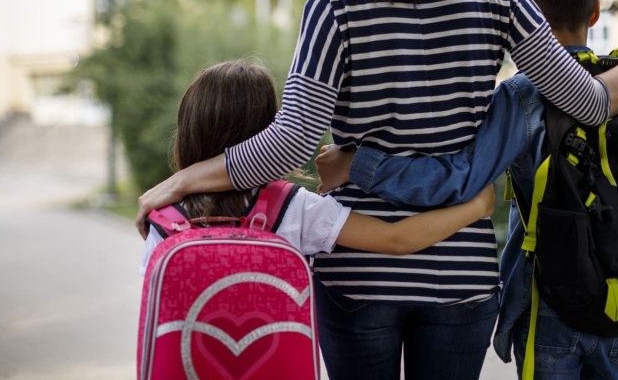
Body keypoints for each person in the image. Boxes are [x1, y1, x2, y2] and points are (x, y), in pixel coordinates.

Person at [135, 0, 618, 377]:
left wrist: (183, 179)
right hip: (461, 273)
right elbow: (590, 104)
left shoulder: (334, 2)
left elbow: (290, 145)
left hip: (360, 277)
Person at [315, 0, 618, 380]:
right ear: (595, 10)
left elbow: (462, 177)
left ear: (530, 19)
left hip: (548, 300)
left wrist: (356, 165)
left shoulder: (526, 97)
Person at [138, 60, 496, 277]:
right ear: (267, 132)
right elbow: (397, 239)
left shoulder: (165, 219)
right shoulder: (291, 208)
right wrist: (477, 206)